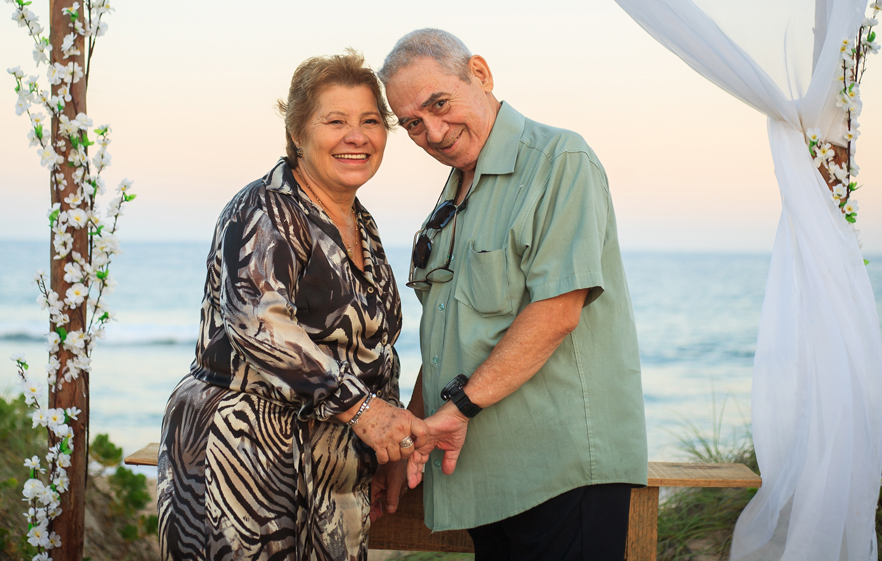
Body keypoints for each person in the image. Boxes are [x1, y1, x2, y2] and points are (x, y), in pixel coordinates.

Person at [378, 29, 648, 561]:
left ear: (479, 73)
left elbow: (557, 312)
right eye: (412, 123)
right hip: (483, 474)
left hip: (561, 474)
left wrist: (454, 412)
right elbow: (447, 335)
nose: (432, 131)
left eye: (439, 104)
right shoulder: (455, 191)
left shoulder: (560, 159)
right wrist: (411, 436)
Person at [156, 50, 425, 561]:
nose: (357, 136)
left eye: (371, 121)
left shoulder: (361, 224)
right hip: (243, 453)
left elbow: (375, 348)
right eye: (336, 121)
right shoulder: (263, 209)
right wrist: (366, 412)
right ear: (298, 133)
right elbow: (261, 325)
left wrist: (391, 447)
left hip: (333, 468)